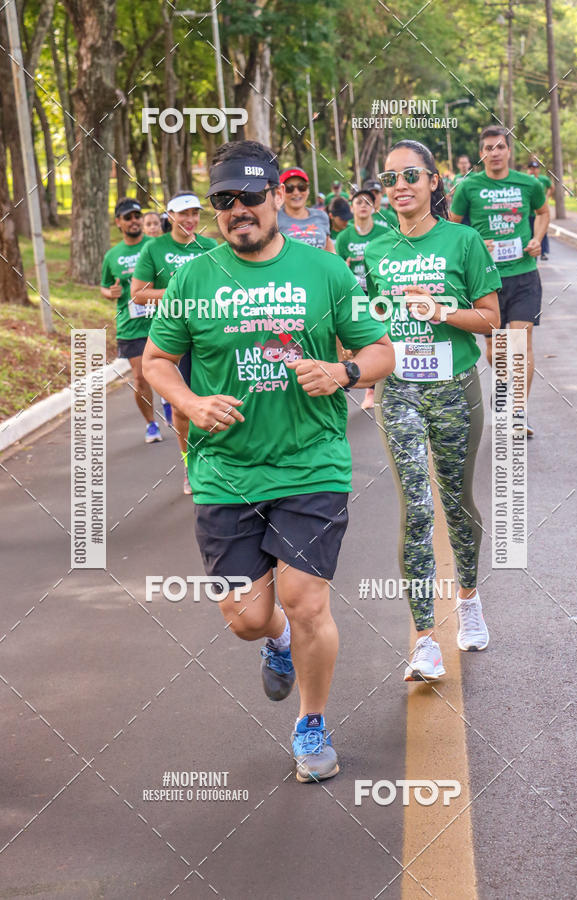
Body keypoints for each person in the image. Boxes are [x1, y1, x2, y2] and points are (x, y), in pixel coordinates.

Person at [142, 139, 394, 782]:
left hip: (312, 464)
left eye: (250, 196)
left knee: (306, 602)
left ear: (277, 197)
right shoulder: (193, 279)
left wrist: (342, 372)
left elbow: (380, 352)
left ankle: (312, 723)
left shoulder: (325, 272)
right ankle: (275, 641)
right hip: (224, 470)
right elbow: (156, 362)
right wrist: (189, 403)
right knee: (247, 618)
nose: (238, 210)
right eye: (224, 200)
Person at [366, 139, 501, 681]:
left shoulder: (463, 240)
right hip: (399, 388)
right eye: (390, 178)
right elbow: (369, 319)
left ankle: (468, 599)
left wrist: (439, 310)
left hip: (454, 387)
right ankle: (425, 639)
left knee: (456, 501)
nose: (399, 186)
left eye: (411, 176)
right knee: (416, 508)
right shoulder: (375, 249)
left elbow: (491, 318)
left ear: (433, 181)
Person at [450, 126, 550, 435]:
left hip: (523, 274)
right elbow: (453, 227)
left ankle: (518, 410)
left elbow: (543, 213)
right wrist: (477, 243)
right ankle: (504, 386)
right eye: (488, 148)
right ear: (481, 154)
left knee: (521, 342)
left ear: (509, 151)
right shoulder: (468, 187)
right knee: (495, 351)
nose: (495, 153)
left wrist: (537, 239)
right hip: (487, 280)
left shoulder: (529, 183)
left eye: (500, 147)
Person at [131, 192, 218, 493]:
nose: (190, 220)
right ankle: (189, 463)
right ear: (170, 216)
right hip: (175, 336)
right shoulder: (155, 248)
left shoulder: (210, 247)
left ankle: (226, 462)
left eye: (194, 213)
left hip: (211, 333)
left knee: (221, 398)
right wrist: (180, 294)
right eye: (183, 214)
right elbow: (138, 294)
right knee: (182, 408)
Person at [100, 198, 162, 443]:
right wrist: (110, 293)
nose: (134, 221)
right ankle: (151, 424)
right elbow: (105, 286)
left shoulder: (155, 246)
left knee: (176, 370)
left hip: (162, 319)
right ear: (119, 222)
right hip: (131, 325)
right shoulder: (112, 256)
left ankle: (173, 403)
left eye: (137, 216)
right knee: (140, 378)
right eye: (128, 217)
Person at [336, 189, 387, 409]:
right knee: (363, 343)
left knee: (382, 338)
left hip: (379, 294)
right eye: (359, 202)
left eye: (368, 202)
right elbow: (337, 267)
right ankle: (370, 388)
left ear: (374, 208)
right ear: (352, 207)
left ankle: (379, 387)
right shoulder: (344, 237)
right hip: (355, 295)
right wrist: (344, 268)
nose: (363, 205)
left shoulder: (384, 233)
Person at [277, 167, 335, 251]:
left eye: (301, 187)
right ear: (280, 191)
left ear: (308, 190)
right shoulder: (274, 219)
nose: (296, 192)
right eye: (289, 188)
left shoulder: (322, 216)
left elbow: (330, 252)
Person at [527, 160, 552, 259]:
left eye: (535, 168)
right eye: (531, 169)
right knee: (530, 233)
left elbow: (551, 187)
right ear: (528, 170)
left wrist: (547, 197)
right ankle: (531, 253)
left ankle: (543, 252)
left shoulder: (543, 180)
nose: (533, 171)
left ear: (538, 170)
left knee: (541, 232)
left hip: (540, 212)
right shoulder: (525, 180)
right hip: (529, 212)